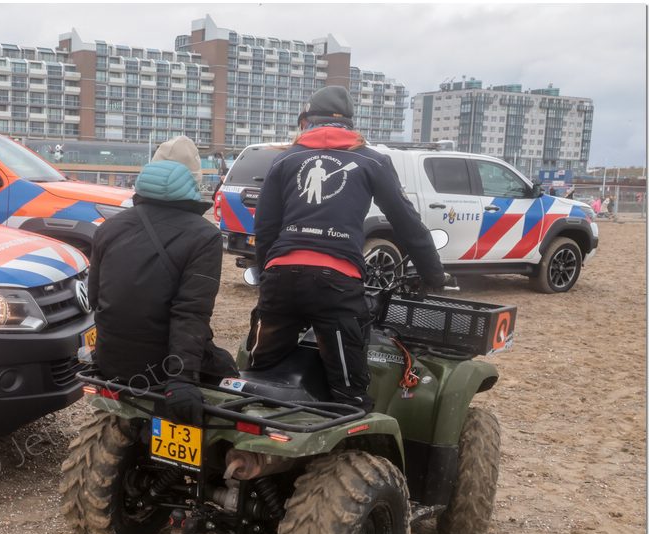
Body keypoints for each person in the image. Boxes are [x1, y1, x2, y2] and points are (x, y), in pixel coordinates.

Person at [246, 86, 446, 411]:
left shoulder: (285, 159)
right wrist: (433, 274)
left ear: (307, 121)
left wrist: (268, 273)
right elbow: (406, 222)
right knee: (349, 395)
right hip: (335, 285)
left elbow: (266, 227)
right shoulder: (372, 161)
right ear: (350, 123)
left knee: (259, 378)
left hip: (281, 278)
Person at [89, 135, 237, 426]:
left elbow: (95, 298)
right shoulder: (204, 235)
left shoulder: (110, 228)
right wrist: (182, 379)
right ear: (194, 181)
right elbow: (191, 312)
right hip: (164, 369)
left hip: (111, 362)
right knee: (229, 376)